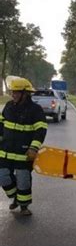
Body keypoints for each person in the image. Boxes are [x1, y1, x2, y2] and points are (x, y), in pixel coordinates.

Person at [0, 76, 47, 216]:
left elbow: (41, 130)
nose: (13, 95)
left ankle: (24, 206)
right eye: (12, 92)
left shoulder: (36, 110)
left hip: (24, 152)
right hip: (5, 151)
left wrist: (33, 148)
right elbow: (1, 124)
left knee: (23, 180)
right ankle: (15, 196)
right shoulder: (8, 106)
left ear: (25, 94)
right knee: (2, 176)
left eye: (16, 92)